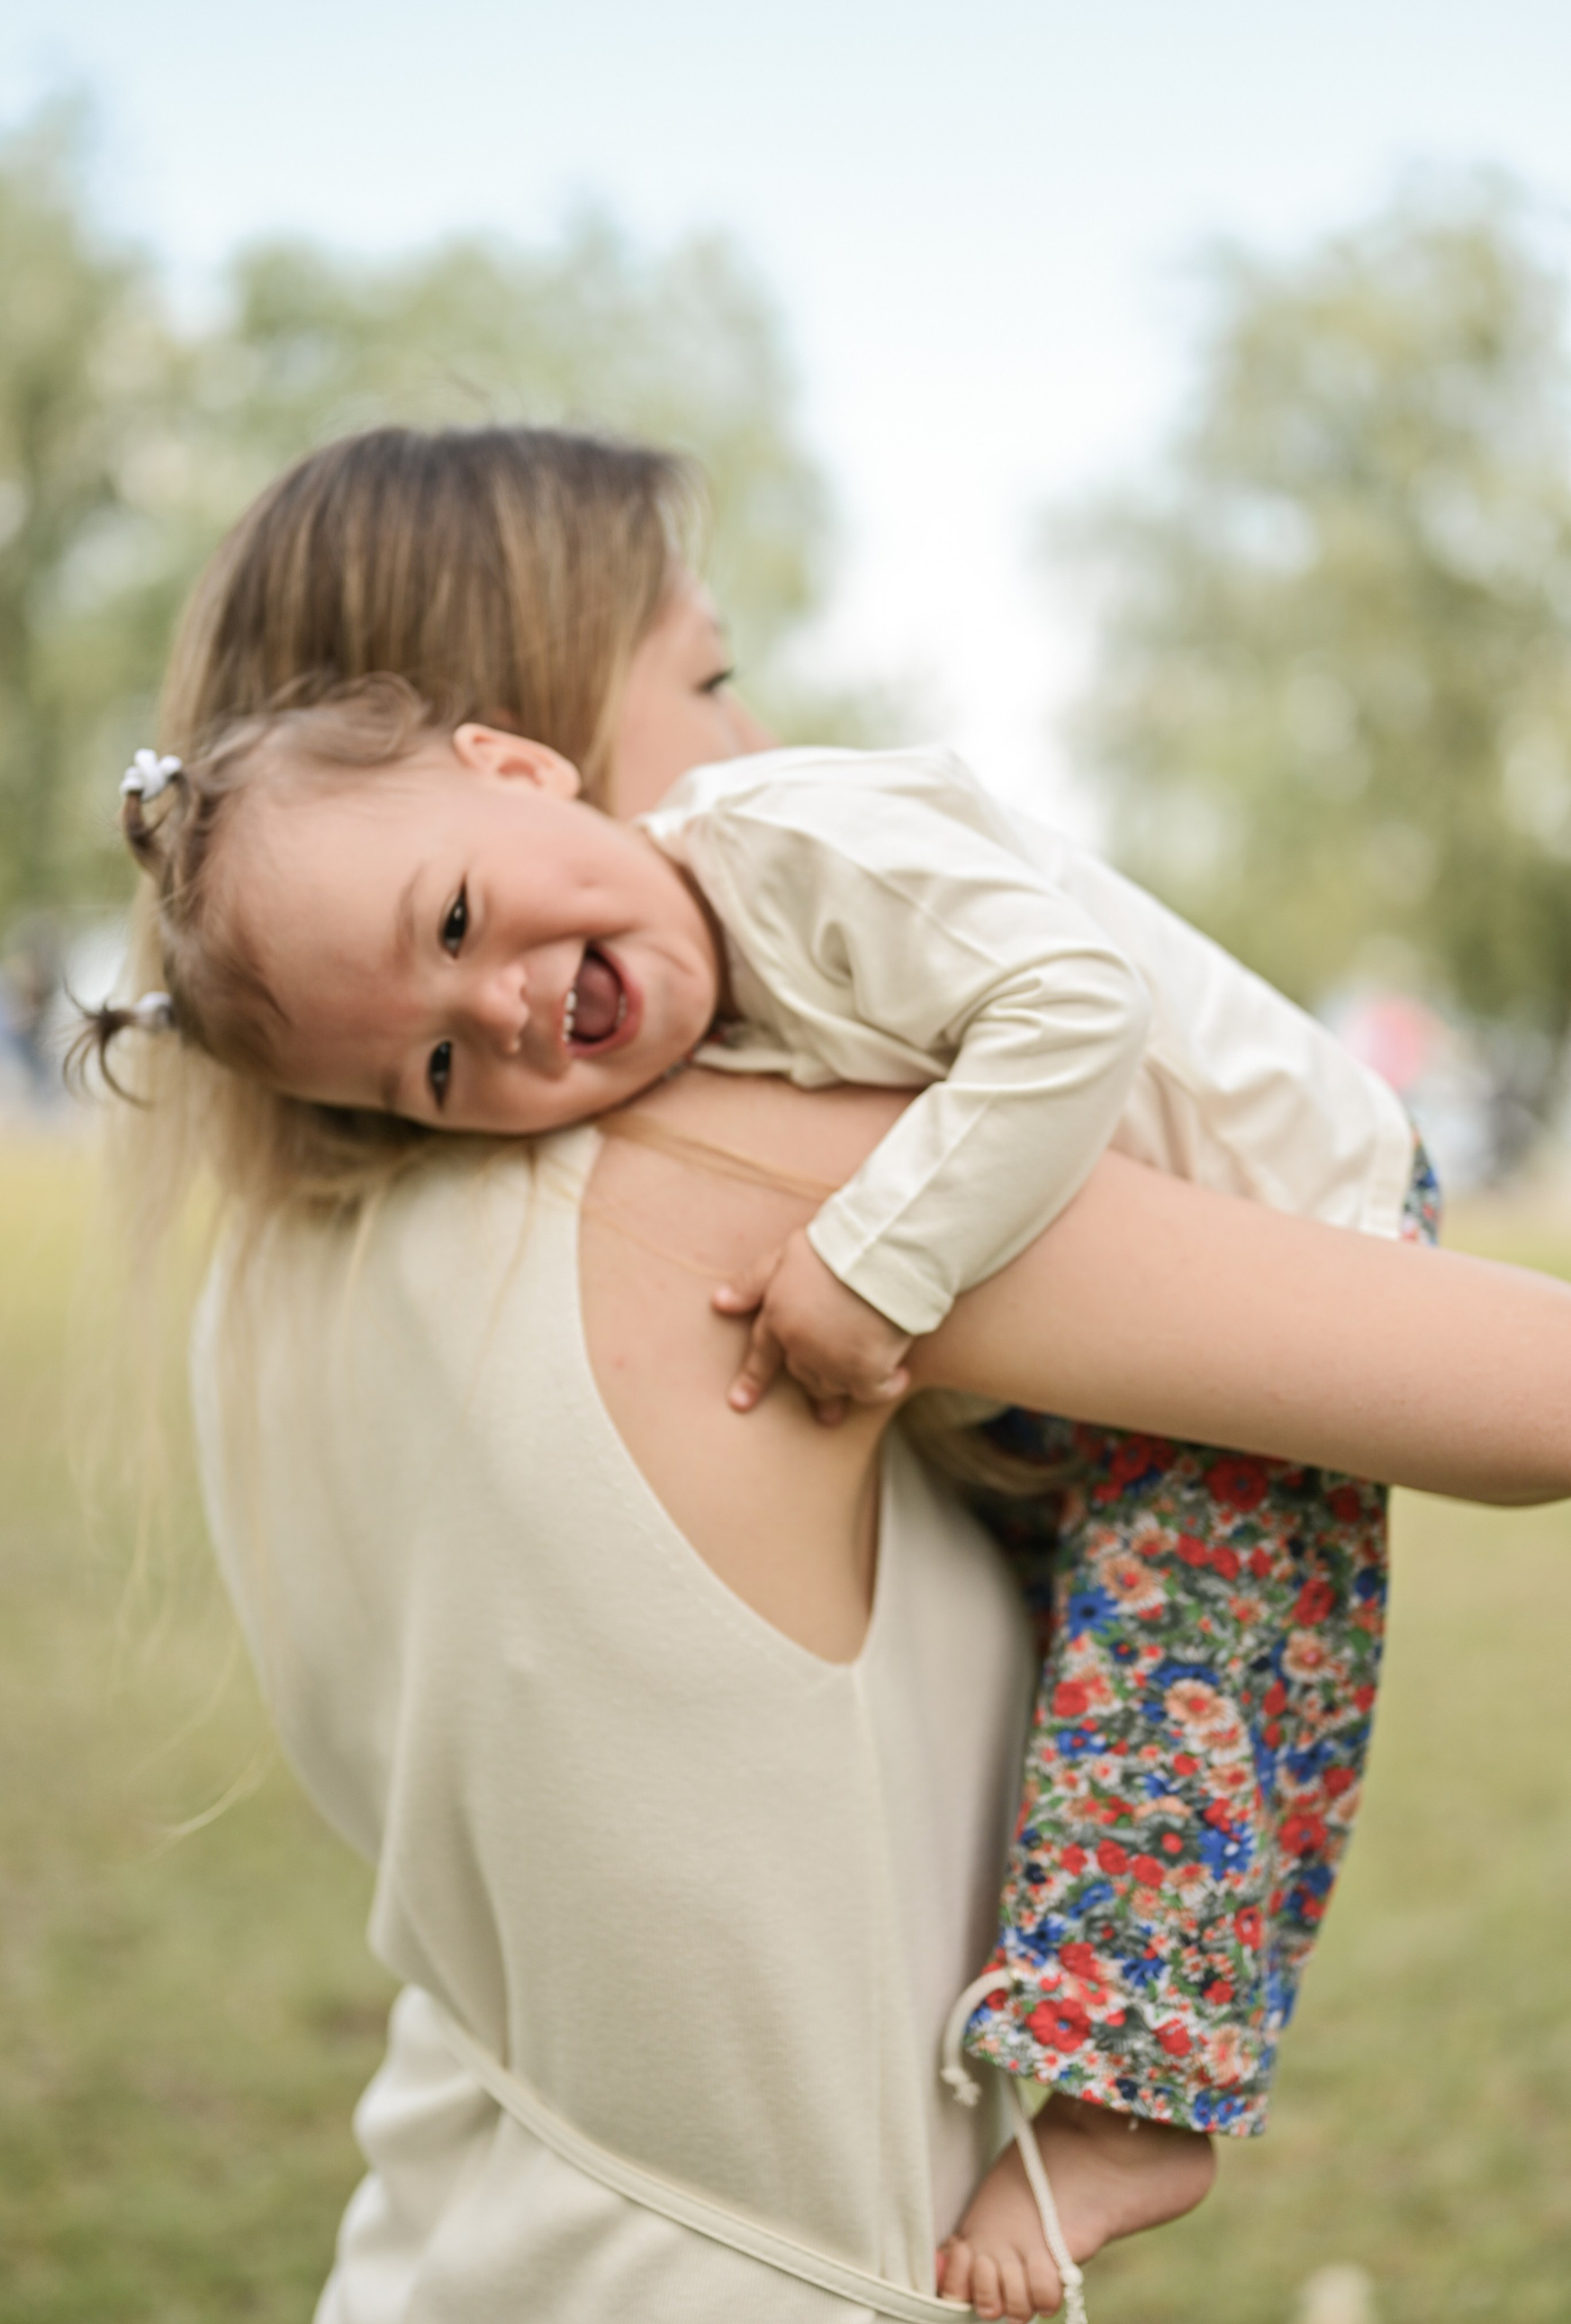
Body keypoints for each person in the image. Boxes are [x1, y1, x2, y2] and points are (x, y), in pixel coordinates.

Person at [85, 423, 1571, 2320]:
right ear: (516, 727)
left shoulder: (275, 1277)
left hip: (447, 2239)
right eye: (707, 676)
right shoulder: (767, 1164)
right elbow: (1532, 1393)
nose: (760, 736)